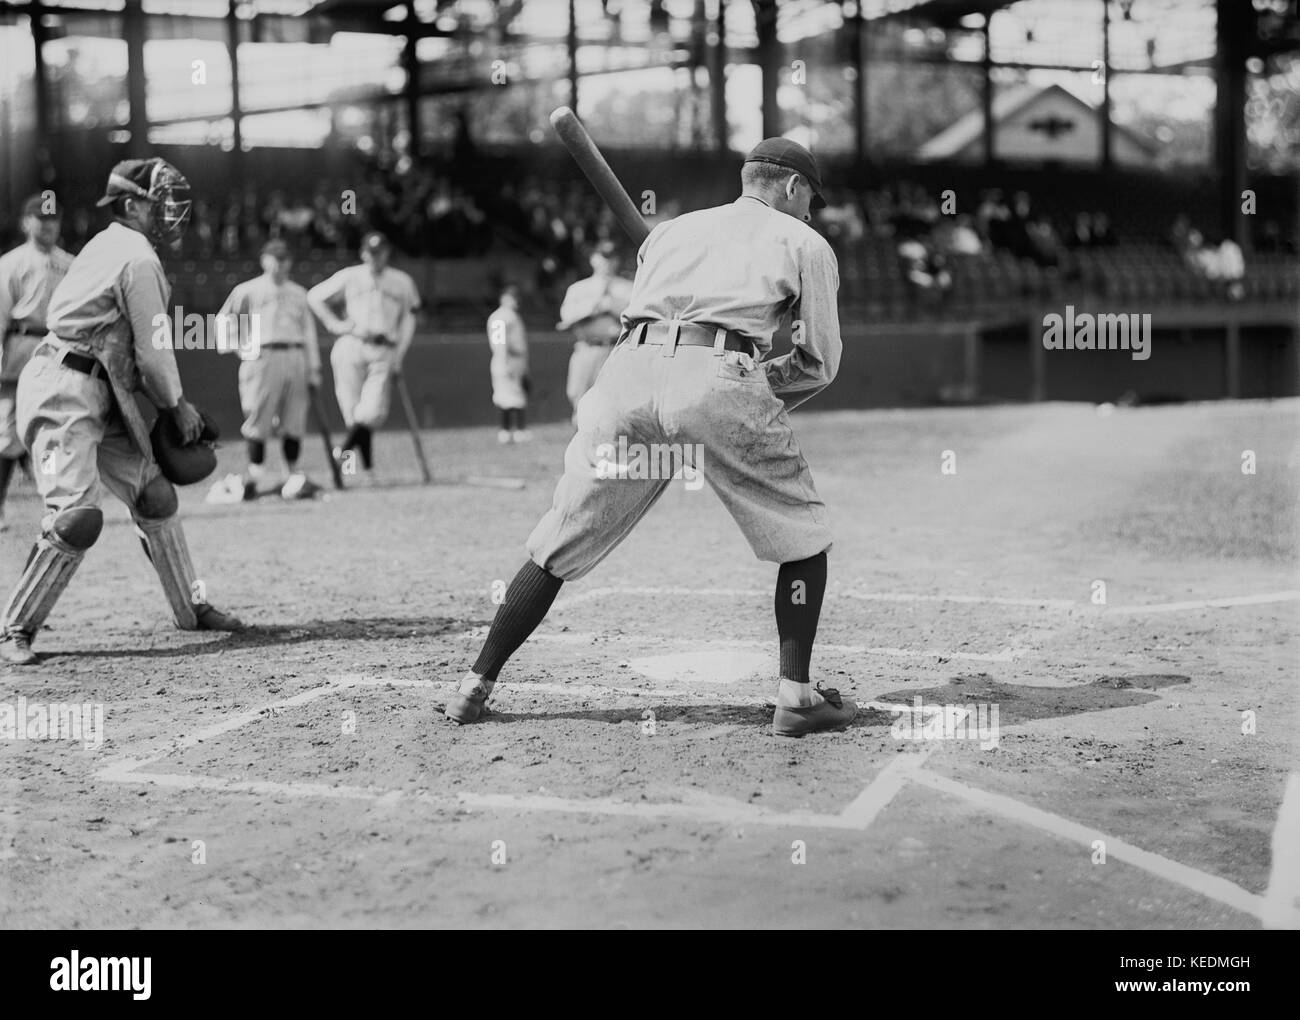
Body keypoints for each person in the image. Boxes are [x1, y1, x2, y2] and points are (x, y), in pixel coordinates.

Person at [444, 138, 856, 738]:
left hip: (624, 377)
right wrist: (755, 384)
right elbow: (819, 362)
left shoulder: (668, 233)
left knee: (559, 537)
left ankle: (473, 685)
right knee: (803, 535)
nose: (810, 212)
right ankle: (796, 696)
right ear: (792, 188)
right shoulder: (803, 242)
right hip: (717, 373)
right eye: (810, 200)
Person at [0, 158, 243, 666]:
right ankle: (15, 628)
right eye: (161, 201)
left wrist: (168, 403)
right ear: (132, 205)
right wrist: (177, 407)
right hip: (63, 386)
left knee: (155, 496)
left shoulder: (112, 245)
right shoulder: (136, 257)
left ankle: (191, 609)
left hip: (97, 381)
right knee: (76, 519)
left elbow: (129, 351)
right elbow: (154, 351)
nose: (171, 211)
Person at [306, 232, 420, 485]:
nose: (375, 257)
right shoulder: (350, 275)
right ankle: (365, 472)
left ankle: (341, 456)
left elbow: (409, 320)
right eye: (371, 252)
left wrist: (399, 354)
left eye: (380, 252)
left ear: (387, 253)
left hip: (384, 347)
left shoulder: (402, 281)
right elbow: (314, 296)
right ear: (363, 253)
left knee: (370, 412)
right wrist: (335, 324)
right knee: (352, 412)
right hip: (352, 343)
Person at [215, 238, 321, 500]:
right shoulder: (247, 290)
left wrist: (314, 367)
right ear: (265, 260)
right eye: (276, 258)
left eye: (285, 258)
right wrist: (240, 348)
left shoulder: (299, 292)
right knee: (258, 415)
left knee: (294, 418)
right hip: (263, 355)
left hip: (295, 353)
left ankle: (291, 476)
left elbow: (309, 332)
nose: (281, 263)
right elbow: (223, 320)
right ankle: (257, 476)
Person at [0, 194, 73, 532]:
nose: (48, 225)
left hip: (55, 350)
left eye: (53, 219)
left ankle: (54, 506)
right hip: (20, 345)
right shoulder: (10, 263)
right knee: (6, 434)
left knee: (51, 432)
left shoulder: (71, 264)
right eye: (41, 219)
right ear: (26, 222)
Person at [557, 240, 632, 426]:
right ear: (593, 259)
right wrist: (595, 306)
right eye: (603, 257)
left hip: (618, 349)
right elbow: (565, 317)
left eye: (612, 257)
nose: (608, 262)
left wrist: (612, 305)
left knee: (618, 405)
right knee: (580, 400)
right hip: (588, 348)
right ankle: (581, 451)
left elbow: (637, 315)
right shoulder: (579, 288)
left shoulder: (629, 287)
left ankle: (612, 450)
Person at [486, 283, 530, 444]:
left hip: (516, 360)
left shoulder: (512, 315)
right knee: (507, 397)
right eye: (513, 297)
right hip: (507, 359)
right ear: (504, 298)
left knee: (517, 395)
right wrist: (504, 363)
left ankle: (517, 430)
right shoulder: (500, 316)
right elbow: (499, 343)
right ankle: (508, 431)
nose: (516, 301)